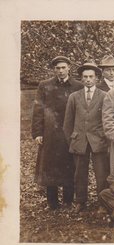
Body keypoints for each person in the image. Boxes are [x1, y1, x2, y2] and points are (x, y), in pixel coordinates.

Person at [31, 55, 83, 210]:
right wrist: (38, 133)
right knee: (49, 166)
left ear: (69, 68)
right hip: (50, 134)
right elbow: (38, 110)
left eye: (63, 67)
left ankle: (68, 201)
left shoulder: (78, 86)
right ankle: (52, 202)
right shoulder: (44, 85)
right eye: (57, 68)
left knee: (70, 166)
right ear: (54, 69)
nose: (60, 71)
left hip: (70, 133)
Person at [63, 62, 109, 213]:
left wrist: (105, 138)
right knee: (79, 173)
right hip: (79, 140)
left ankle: (103, 203)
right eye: (85, 77)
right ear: (81, 79)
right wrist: (73, 140)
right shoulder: (74, 97)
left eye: (91, 77)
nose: (88, 79)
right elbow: (67, 123)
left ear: (96, 78)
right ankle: (80, 201)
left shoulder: (104, 96)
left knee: (101, 173)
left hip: (98, 140)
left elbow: (107, 119)